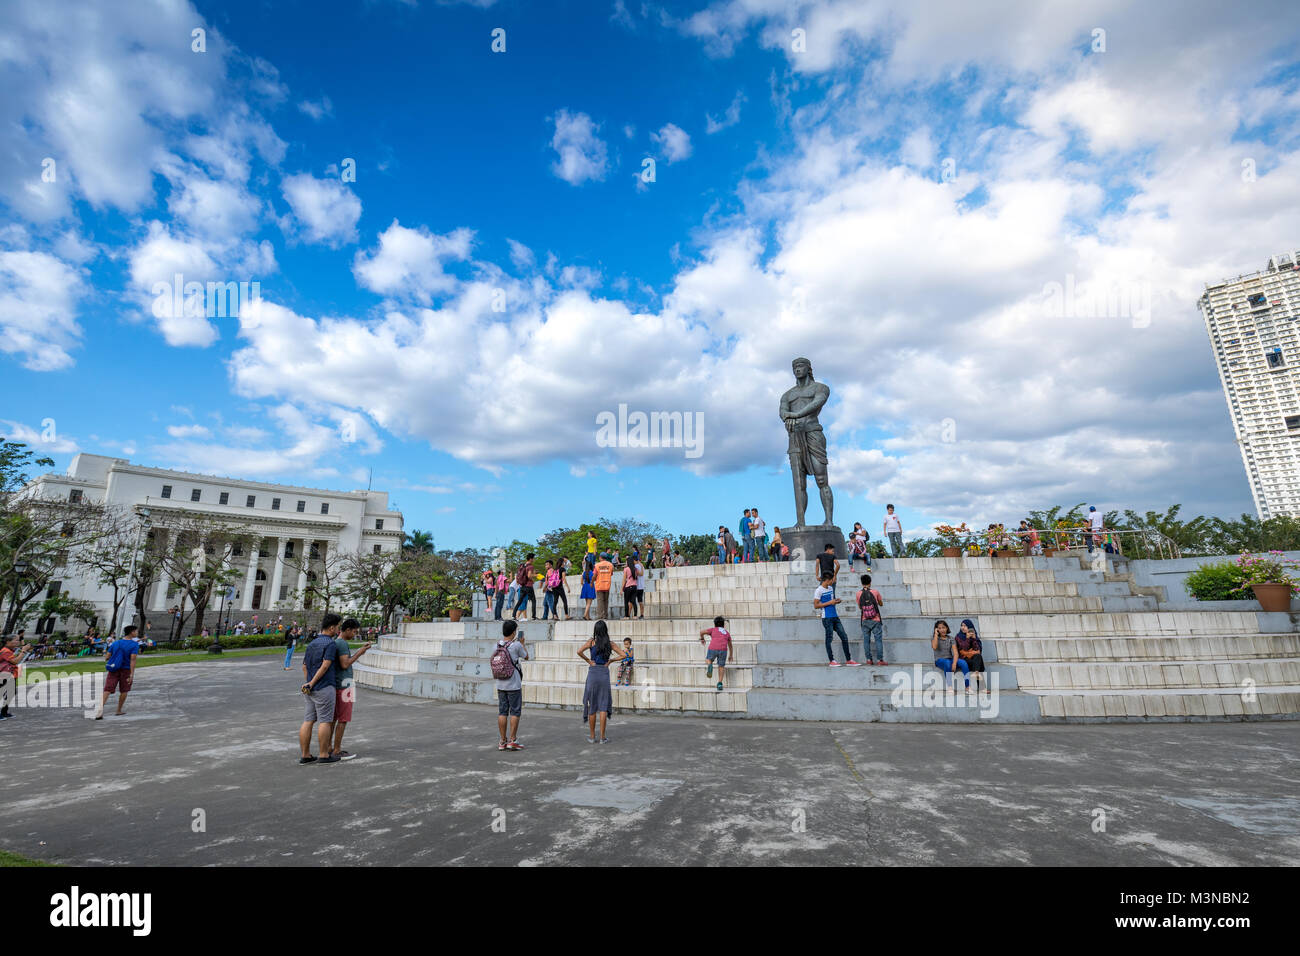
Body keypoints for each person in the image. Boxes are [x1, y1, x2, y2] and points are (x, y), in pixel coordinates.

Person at [299, 614, 343, 764]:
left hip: (310, 689)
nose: (338, 630)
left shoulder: (312, 643)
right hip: (324, 687)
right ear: (332, 628)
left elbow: (304, 666)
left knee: (308, 720)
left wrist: (309, 683)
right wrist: (313, 682)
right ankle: (323, 754)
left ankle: (305, 755)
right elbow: (325, 665)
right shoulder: (330, 644)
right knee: (325, 720)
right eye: (337, 627)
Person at [329, 618, 371, 761]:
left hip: (337, 684)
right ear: (347, 630)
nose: (354, 634)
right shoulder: (342, 643)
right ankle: (337, 750)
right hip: (345, 685)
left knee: (334, 718)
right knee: (343, 719)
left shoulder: (337, 642)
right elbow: (345, 664)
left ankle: (329, 748)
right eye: (354, 631)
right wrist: (360, 652)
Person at [578, 620, 624, 743]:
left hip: (593, 673)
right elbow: (624, 655)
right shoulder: (610, 643)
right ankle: (603, 737)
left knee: (592, 705)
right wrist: (611, 661)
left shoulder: (591, 642)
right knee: (603, 706)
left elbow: (579, 651)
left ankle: (592, 737)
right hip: (604, 672)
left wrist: (588, 661)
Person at [491, 620, 529, 751]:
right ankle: (513, 740)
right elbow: (527, 656)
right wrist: (523, 644)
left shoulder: (496, 645)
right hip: (513, 684)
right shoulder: (517, 645)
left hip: (500, 683)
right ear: (514, 632)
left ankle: (502, 741)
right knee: (515, 712)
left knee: (502, 712)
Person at [95, 625, 141, 719]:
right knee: (124, 690)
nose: (137, 633)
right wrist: (132, 674)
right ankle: (118, 710)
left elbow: (107, 657)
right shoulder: (134, 645)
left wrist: (116, 659)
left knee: (107, 689)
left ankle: (100, 709)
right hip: (126, 670)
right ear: (132, 632)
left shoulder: (116, 643)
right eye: (136, 631)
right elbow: (133, 659)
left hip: (113, 669)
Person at [814, 571, 857, 666]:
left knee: (844, 637)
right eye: (832, 580)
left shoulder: (830, 588)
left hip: (835, 616)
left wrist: (836, 601)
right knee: (829, 639)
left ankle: (849, 660)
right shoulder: (819, 590)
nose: (833, 581)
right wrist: (830, 603)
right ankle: (832, 660)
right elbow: (816, 605)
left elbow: (831, 601)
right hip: (827, 618)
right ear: (827, 580)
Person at [0, 634, 33, 720]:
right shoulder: (5, 651)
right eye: (16, 640)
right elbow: (15, 661)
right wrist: (23, 651)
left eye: (18, 640)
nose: (18, 642)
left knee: (10, 693)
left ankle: (4, 712)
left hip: (10, 675)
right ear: (8, 642)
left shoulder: (10, 650)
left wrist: (24, 650)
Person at [855, 573, 886, 666]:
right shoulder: (875, 592)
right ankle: (880, 660)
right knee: (878, 640)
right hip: (875, 619)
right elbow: (881, 604)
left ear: (861, 583)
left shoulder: (858, 594)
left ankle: (869, 660)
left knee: (866, 640)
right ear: (870, 582)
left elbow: (860, 607)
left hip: (864, 619)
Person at [931, 619, 969, 691]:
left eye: (943, 627)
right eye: (939, 628)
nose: (942, 630)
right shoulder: (935, 638)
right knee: (947, 663)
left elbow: (955, 652)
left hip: (950, 659)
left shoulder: (951, 638)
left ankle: (967, 687)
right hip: (940, 660)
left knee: (963, 663)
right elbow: (934, 647)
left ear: (947, 628)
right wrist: (936, 634)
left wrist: (954, 663)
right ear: (936, 629)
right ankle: (950, 687)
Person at [698, 615, 733, 692]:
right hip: (723, 650)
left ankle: (710, 664)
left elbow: (701, 632)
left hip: (713, 648)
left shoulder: (713, 630)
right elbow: (730, 644)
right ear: (723, 624)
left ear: (715, 624)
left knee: (708, 660)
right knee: (721, 666)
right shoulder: (726, 633)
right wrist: (731, 655)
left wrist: (702, 639)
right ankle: (720, 683)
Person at [955, 619, 986, 692]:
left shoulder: (974, 636)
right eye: (962, 625)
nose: (963, 627)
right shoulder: (958, 637)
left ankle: (976, 672)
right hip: (963, 660)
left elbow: (978, 650)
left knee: (978, 657)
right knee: (979, 662)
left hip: (973, 660)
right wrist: (968, 639)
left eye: (965, 626)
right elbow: (963, 649)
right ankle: (982, 687)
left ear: (970, 627)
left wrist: (974, 639)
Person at [513, 553, 537, 620]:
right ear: (531, 559)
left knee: (519, 601)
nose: (534, 560)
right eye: (533, 558)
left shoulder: (523, 566)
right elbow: (529, 576)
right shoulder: (530, 566)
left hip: (522, 586)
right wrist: (535, 575)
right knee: (533, 601)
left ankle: (513, 615)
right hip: (528, 586)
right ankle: (533, 616)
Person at [594, 553, 615, 620]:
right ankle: (605, 615)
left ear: (600, 557)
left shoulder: (597, 565)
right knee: (606, 601)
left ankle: (600, 616)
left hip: (599, 585)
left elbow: (594, 575)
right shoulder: (610, 565)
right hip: (607, 585)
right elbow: (611, 574)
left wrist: (592, 581)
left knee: (600, 601)